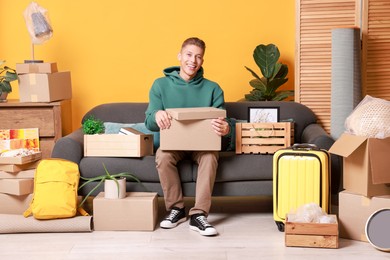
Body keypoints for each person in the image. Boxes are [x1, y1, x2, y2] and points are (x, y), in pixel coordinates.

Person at [144, 37, 231, 236]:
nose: (193, 60)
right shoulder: (160, 85)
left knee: (210, 156)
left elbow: (223, 126)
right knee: (162, 156)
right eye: (189, 55)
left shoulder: (213, 88)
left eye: (199, 57)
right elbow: (149, 122)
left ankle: (198, 215)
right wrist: (156, 115)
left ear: (202, 61)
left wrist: (226, 129)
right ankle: (177, 209)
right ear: (180, 56)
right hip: (173, 145)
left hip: (202, 146)